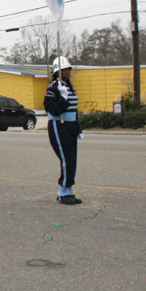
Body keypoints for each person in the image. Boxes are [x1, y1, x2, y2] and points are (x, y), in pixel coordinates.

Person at [44, 57, 84, 205]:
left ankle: (69, 191)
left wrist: (77, 128)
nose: (67, 72)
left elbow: (74, 108)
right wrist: (62, 98)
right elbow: (53, 110)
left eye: (68, 69)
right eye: (64, 70)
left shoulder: (68, 85)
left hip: (70, 125)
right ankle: (62, 192)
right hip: (58, 125)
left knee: (72, 159)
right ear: (57, 72)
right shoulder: (54, 87)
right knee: (66, 159)